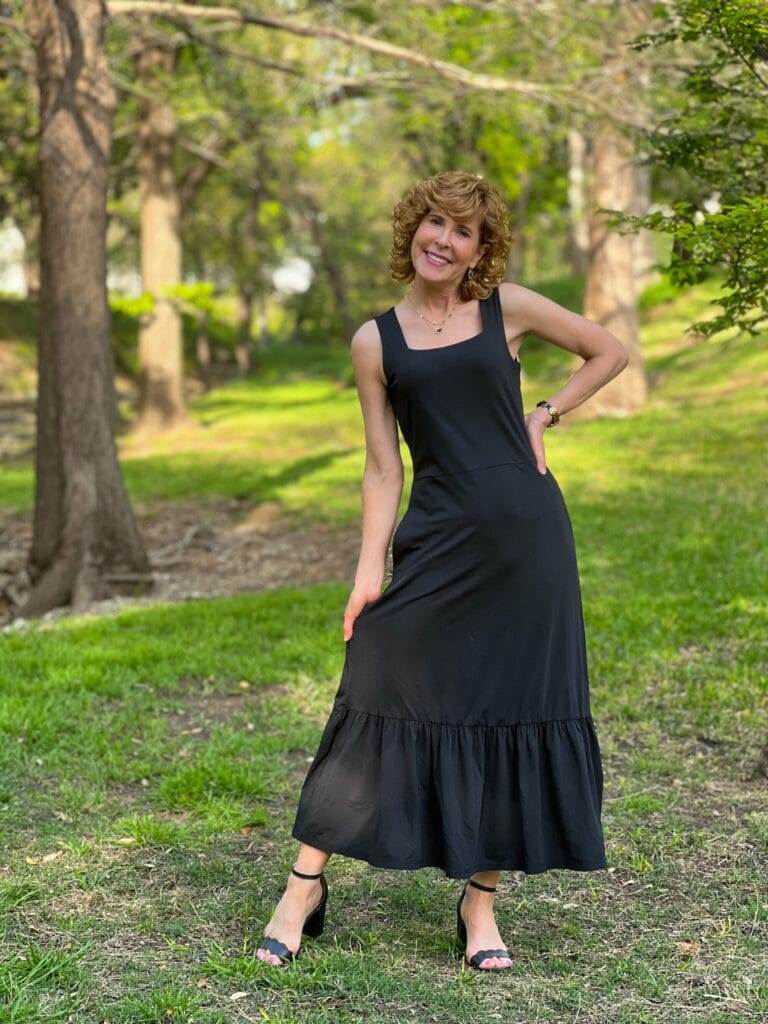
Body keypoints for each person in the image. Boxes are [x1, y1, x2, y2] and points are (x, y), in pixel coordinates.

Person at [256, 169, 628, 971]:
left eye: (463, 232)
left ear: (479, 250)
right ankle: (303, 886)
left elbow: (610, 349)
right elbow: (382, 468)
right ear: (411, 230)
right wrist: (367, 572)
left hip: (528, 545)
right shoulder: (375, 341)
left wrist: (547, 410)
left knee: (511, 702)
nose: (444, 240)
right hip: (435, 541)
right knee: (375, 686)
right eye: (434, 223)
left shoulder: (510, 309)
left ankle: (480, 904)